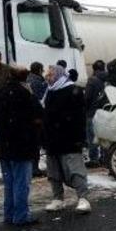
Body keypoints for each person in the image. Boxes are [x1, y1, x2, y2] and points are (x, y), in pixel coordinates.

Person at [0, 66, 43, 226]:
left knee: (9, 183)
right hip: (22, 145)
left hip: (3, 146)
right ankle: (21, 216)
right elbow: (39, 115)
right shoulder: (26, 95)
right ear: (25, 78)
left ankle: (9, 214)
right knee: (21, 182)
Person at [43, 64, 91, 213]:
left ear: (58, 75)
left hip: (70, 138)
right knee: (54, 171)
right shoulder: (50, 92)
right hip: (52, 139)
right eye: (47, 75)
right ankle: (58, 198)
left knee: (75, 169)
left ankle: (83, 198)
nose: (47, 77)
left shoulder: (73, 91)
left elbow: (79, 117)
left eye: (50, 75)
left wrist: (80, 138)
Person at [84, 60, 109, 166]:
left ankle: (94, 159)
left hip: (92, 113)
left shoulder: (92, 80)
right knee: (103, 137)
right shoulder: (109, 79)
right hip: (105, 112)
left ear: (94, 69)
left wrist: (85, 109)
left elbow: (87, 98)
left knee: (92, 137)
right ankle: (105, 157)